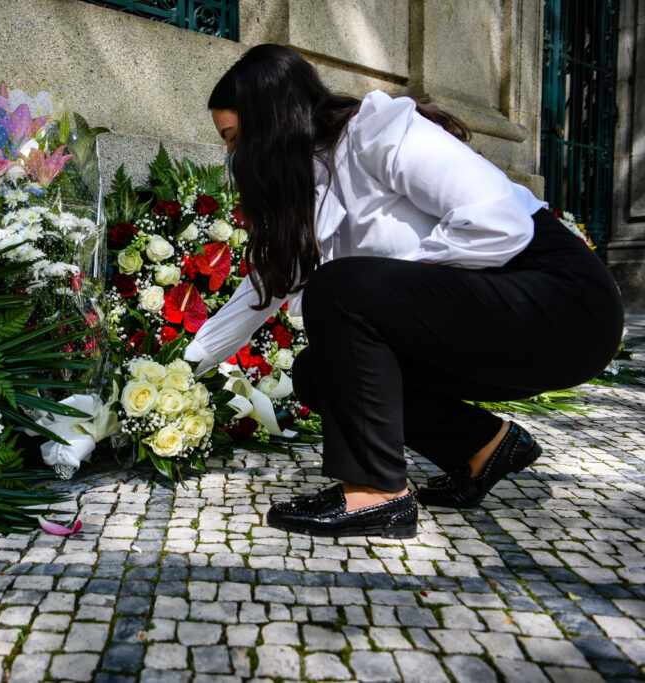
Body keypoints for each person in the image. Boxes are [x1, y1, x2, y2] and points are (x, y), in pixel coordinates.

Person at [184, 44, 624, 539]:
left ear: (272, 121)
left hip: (562, 304)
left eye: (235, 137)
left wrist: (382, 286)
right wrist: (180, 372)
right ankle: (483, 446)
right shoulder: (311, 179)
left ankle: (375, 494)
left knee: (342, 288)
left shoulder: (379, 132)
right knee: (318, 372)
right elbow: (263, 288)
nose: (233, 155)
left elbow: (499, 225)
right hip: (503, 315)